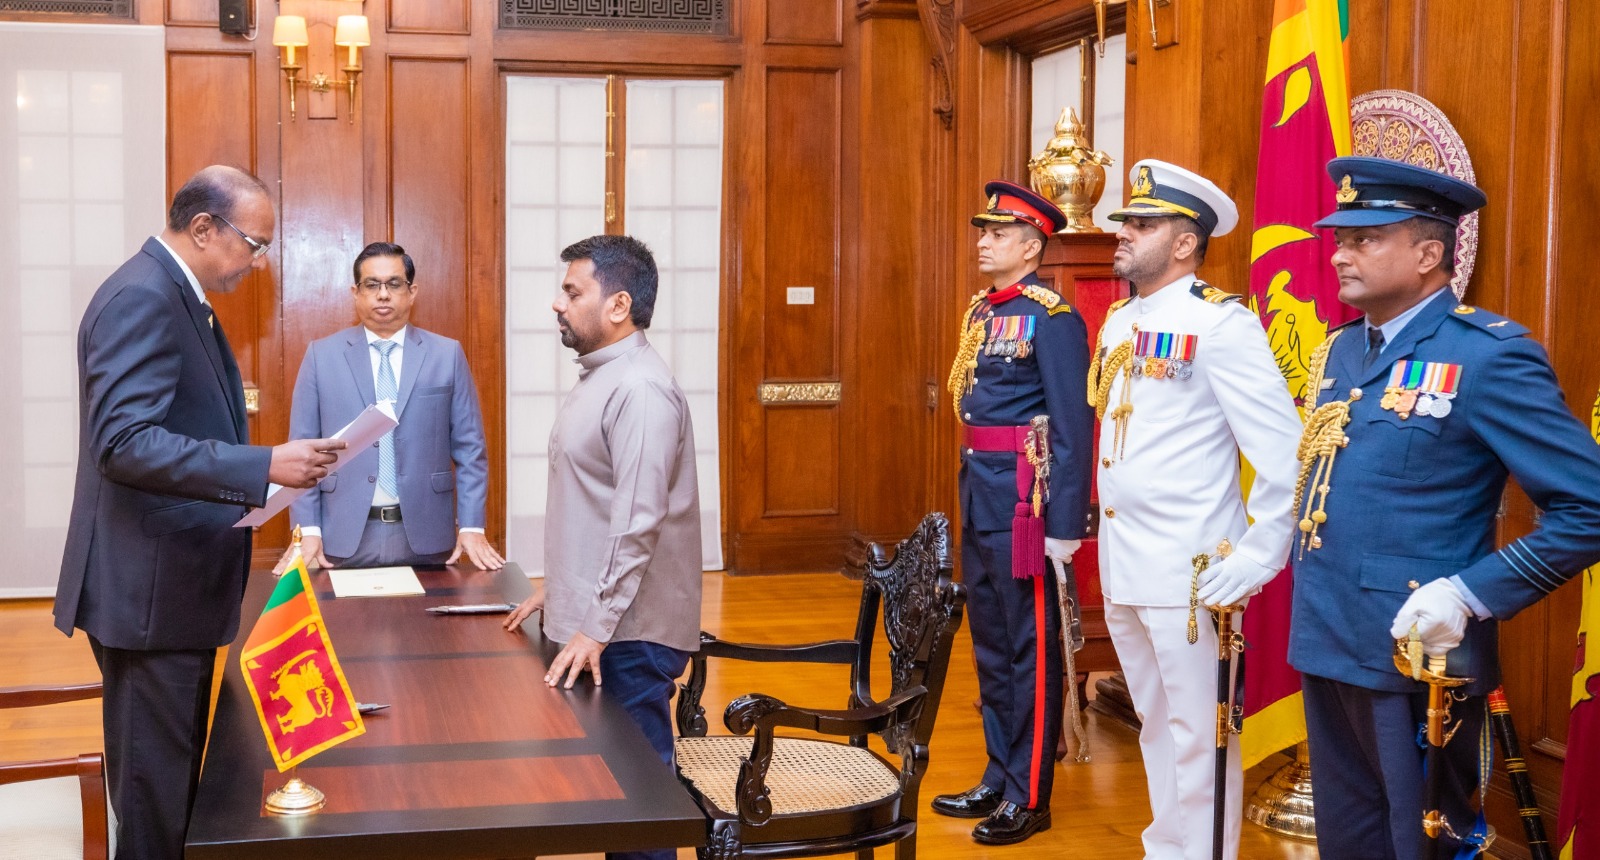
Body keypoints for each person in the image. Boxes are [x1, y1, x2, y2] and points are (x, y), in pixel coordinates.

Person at [1290, 156, 1600, 859]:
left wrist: (1469, 593)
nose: (1339, 254)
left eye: (1365, 239)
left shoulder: (1488, 356)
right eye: (1340, 238)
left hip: (1419, 653)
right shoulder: (1340, 350)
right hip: (1329, 630)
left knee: (1420, 842)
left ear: (1429, 254)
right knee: (1349, 840)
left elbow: (1589, 506)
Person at [53, 165, 344, 860]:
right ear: (205, 227)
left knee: (174, 784)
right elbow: (124, 444)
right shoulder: (143, 296)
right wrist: (261, 465)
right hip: (149, 593)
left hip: (169, 584)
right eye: (254, 244)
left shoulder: (178, 295)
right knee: (154, 800)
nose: (258, 261)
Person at [1090, 159, 1302, 860]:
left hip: (1191, 572)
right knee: (1154, 723)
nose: (1123, 234)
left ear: (1185, 243)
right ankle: (1167, 848)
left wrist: (1260, 553)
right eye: (1126, 222)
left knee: (1200, 734)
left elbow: (1285, 450)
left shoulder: (1221, 324)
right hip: (1126, 563)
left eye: (1143, 225)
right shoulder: (1120, 321)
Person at [503, 234, 701, 860]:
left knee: (637, 802)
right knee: (614, 793)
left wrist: (593, 624)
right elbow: (593, 504)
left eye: (572, 291)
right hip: (605, 619)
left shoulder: (640, 389)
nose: (557, 304)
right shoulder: (604, 375)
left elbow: (638, 522)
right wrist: (560, 587)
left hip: (629, 631)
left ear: (618, 305)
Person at [929, 180, 1093, 845]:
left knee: (1031, 647)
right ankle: (998, 774)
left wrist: (1065, 527)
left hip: (1028, 503)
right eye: (984, 232)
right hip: (981, 490)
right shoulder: (982, 311)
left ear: (1031, 246)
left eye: (998, 234)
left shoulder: (1052, 317)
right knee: (992, 645)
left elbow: (1074, 426)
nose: (984, 242)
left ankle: (1029, 794)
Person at [272, 241, 503, 573]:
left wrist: (471, 526)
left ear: (412, 292)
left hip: (427, 535)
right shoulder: (321, 357)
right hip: (341, 536)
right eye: (372, 285)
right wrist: (308, 530)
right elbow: (303, 452)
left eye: (394, 284)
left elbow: (471, 450)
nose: (383, 295)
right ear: (356, 293)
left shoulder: (446, 354)